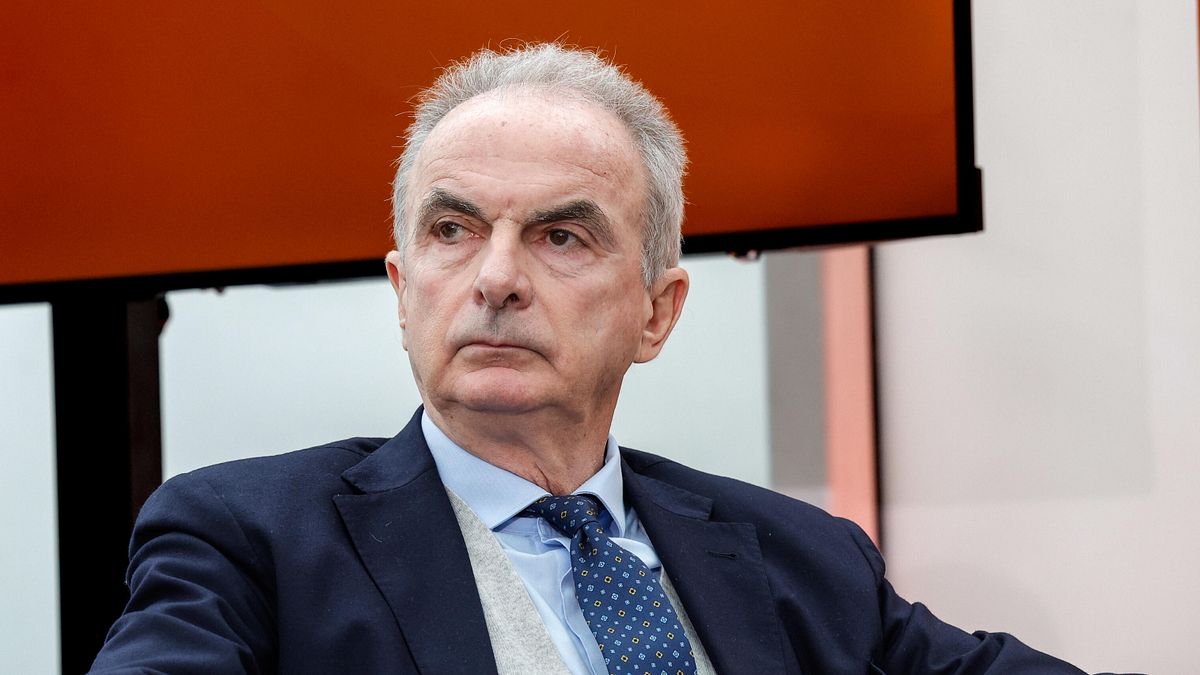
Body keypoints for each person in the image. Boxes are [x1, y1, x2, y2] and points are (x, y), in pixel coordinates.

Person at [90, 43, 1096, 674]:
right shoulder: (246, 541)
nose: (495, 278)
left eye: (561, 236)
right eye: (452, 230)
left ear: (657, 312)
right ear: (402, 290)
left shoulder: (804, 558)